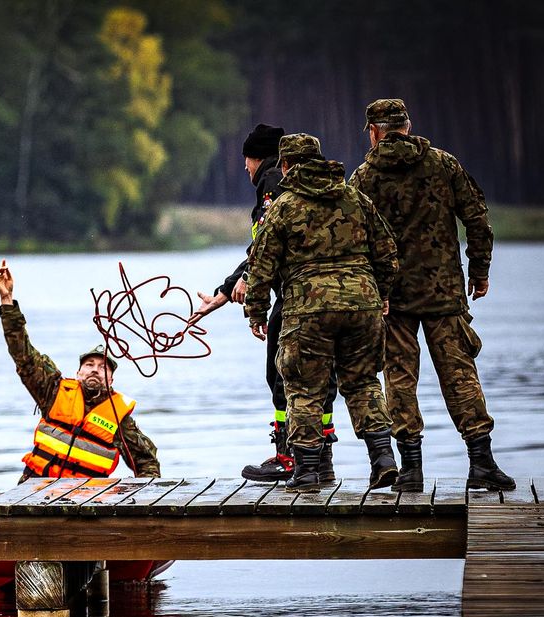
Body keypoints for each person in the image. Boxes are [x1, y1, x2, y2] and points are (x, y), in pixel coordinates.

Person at [349, 99, 514, 491]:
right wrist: (480, 270)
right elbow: (477, 218)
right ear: (407, 125)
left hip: (391, 297)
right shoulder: (444, 164)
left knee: (399, 378)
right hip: (444, 292)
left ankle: (410, 470)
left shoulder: (363, 177)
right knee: (459, 374)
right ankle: (481, 462)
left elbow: (354, 238)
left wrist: (370, 288)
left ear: (374, 131)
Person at [244, 133, 399, 492]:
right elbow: (388, 251)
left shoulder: (284, 205)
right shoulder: (355, 198)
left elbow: (262, 264)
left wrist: (256, 311)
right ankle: (383, 460)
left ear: (285, 164)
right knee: (363, 383)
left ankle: (308, 472)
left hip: (307, 309)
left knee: (303, 388)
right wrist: (382, 293)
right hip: (362, 305)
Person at [189, 123, 339, 483]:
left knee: (283, 375)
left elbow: (266, 248)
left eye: (247, 159)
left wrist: (244, 287)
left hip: (296, 299)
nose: (245, 168)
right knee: (324, 380)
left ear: (263, 158)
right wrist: (226, 291)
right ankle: (321, 460)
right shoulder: (331, 187)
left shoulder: (273, 183)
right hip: (334, 298)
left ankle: (288, 457)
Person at [0, 259, 161, 481]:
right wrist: (7, 300)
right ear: (78, 372)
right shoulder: (52, 391)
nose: (95, 370)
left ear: (111, 380)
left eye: (102, 367)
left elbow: (147, 462)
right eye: (89, 365)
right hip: (34, 492)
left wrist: (140, 500)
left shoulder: (120, 419)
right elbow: (22, 354)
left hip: (85, 502)